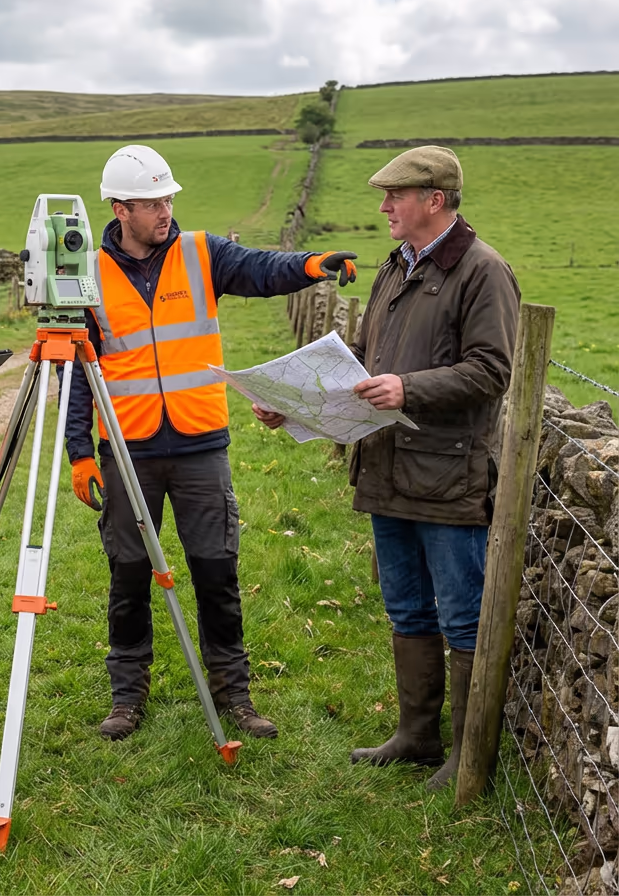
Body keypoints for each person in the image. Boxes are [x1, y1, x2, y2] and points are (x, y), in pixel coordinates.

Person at [66, 144, 358, 741]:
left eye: (169, 198)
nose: (165, 210)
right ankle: (127, 695)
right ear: (121, 209)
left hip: (200, 445)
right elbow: (76, 371)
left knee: (216, 572)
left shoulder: (203, 253)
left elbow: (260, 268)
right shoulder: (86, 277)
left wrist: (311, 264)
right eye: (152, 202)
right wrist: (79, 453)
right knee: (128, 576)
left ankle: (235, 695)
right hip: (127, 450)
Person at [258, 146, 519, 791]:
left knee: (462, 615)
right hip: (387, 468)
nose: (383, 208)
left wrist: (408, 388)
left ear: (434, 200)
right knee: (405, 608)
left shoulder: (483, 272)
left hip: (448, 475)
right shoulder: (395, 269)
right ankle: (417, 735)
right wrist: (294, 407)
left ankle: (469, 752)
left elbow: (493, 370)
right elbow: (364, 363)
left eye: (394, 196)